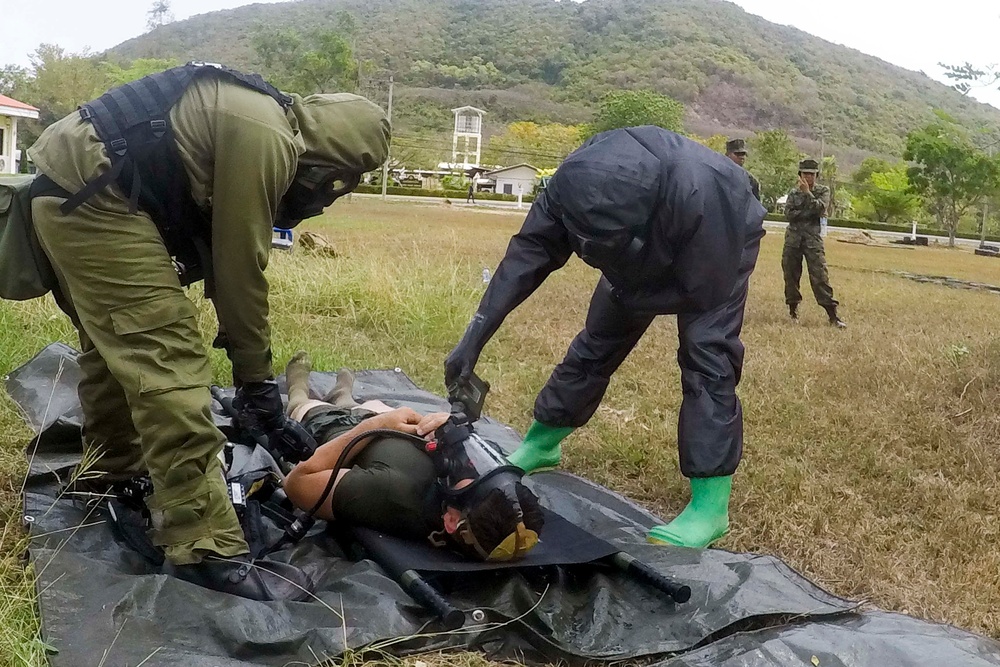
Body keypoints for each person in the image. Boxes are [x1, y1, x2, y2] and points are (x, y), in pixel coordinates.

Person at [25, 62, 390, 601]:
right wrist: (257, 383)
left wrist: (254, 383)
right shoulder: (268, 137)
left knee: (118, 350)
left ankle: (109, 472)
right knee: (166, 359)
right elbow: (240, 269)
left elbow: (217, 252)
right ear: (331, 160)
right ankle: (203, 547)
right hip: (95, 197)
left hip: (75, 189)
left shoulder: (264, 117)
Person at [445, 126, 766, 549]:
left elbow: (703, 292)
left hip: (720, 238)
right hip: (647, 245)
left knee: (707, 356)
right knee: (597, 341)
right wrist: (474, 336)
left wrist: (635, 293)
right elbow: (526, 255)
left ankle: (711, 507)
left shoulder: (704, 193)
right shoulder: (570, 187)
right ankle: (542, 443)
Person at [281, 353, 545, 561]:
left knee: (306, 409)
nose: (474, 469)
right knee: (373, 405)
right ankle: (344, 396)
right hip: (394, 426)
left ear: (451, 522)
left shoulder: (391, 495)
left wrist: (375, 425)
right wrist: (448, 425)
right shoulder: (504, 507)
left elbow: (297, 482)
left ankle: (300, 390)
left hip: (344, 433)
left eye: (476, 482)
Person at [782, 159, 846, 327]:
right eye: (805, 174)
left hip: (813, 242)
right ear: (800, 175)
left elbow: (821, 209)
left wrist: (808, 195)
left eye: (811, 174)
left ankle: (832, 315)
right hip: (793, 240)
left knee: (820, 277)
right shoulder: (793, 193)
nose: (808, 177)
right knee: (790, 276)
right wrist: (809, 210)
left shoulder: (823, 191)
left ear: (816, 175)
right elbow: (788, 214)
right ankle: (793, 310)